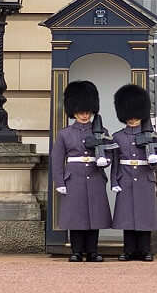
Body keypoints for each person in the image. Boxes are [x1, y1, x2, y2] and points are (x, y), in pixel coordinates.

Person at [50, 80, 112, 262]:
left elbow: (109, 153)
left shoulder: (101, 131)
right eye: (81, 112)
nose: (85, 115)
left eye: (87, 111)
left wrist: (104, 161)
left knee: (94, 215)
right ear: (73, 112)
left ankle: (92, 251)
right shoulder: (64, 134)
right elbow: (57, 159)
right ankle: (76, 251)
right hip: (73, 177)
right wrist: (59, 182)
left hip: (94, 175)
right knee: (76, 216)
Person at [110, 84, 157, 262]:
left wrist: (155, 160)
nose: (132, 119)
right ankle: (129, 250)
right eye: (129, 116)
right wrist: (114, 182)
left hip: (144, 178)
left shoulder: (151, 135)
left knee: (144, 216)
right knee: (127, 217)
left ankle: (145, 250)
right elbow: (115, 162)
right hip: (125, 178)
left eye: (135, 115)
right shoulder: (118, 136)